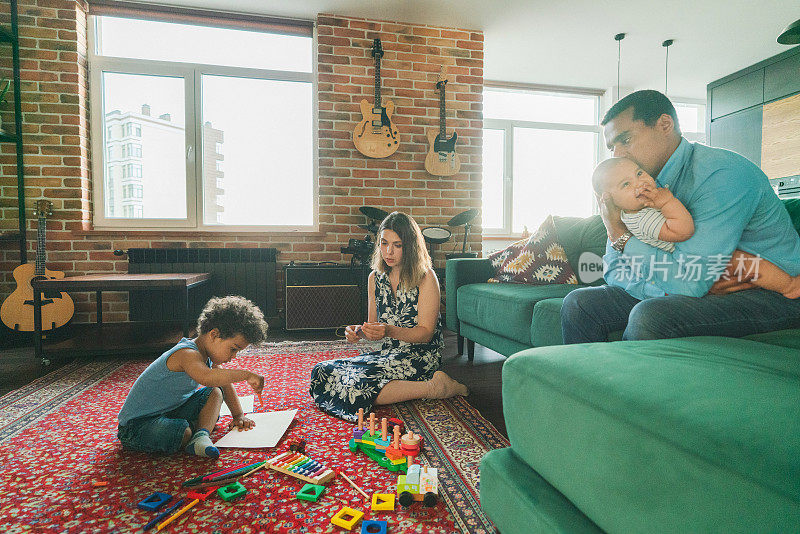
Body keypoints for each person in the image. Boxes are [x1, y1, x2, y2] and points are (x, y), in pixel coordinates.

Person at [561, 89, 800, 343]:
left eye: (626, 140)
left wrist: (620, 235)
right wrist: (663, 288)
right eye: (612, 147)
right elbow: (613, 268)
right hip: (694, 283)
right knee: (579, 304)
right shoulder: (632, 186)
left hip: (771, 291)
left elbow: (689, 283)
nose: (617, 155)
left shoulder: (722, 174)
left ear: (665, 124)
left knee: (650, 316)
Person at [309, 211, 468, 422]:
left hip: (421, 357)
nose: (388, 251)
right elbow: (375, 328)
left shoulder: (426, 277)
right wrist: (359, 331)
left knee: (360, 386)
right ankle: (420, 387)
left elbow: (426, 335)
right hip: (389, 355)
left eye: (397, 245)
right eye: (384, 243)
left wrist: (390, 330)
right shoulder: (375, 278)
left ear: (410, 246)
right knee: (322, 371)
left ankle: (435, 387)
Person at [592, 156, 800, 298]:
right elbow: (684, 230)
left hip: (679, 267)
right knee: (740, 260)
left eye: (639, 173)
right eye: (626, 185)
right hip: (682, 266)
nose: (639, 183)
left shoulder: (633, 212)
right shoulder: (641, 219)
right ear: (610, 201)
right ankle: (791, 286)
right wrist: (667, 202)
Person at [117, 295, 268, 458]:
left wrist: (238, 415)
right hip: (138, 425)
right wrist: (246, 375)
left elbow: (223, 383)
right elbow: (207, 378)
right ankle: (194, 430)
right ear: (214, 334)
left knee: (215, 392)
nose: (234, 356)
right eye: (233, 349)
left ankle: (201, 435)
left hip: (170, 411)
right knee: (183, 432)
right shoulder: (187, 354)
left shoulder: (208, 355)